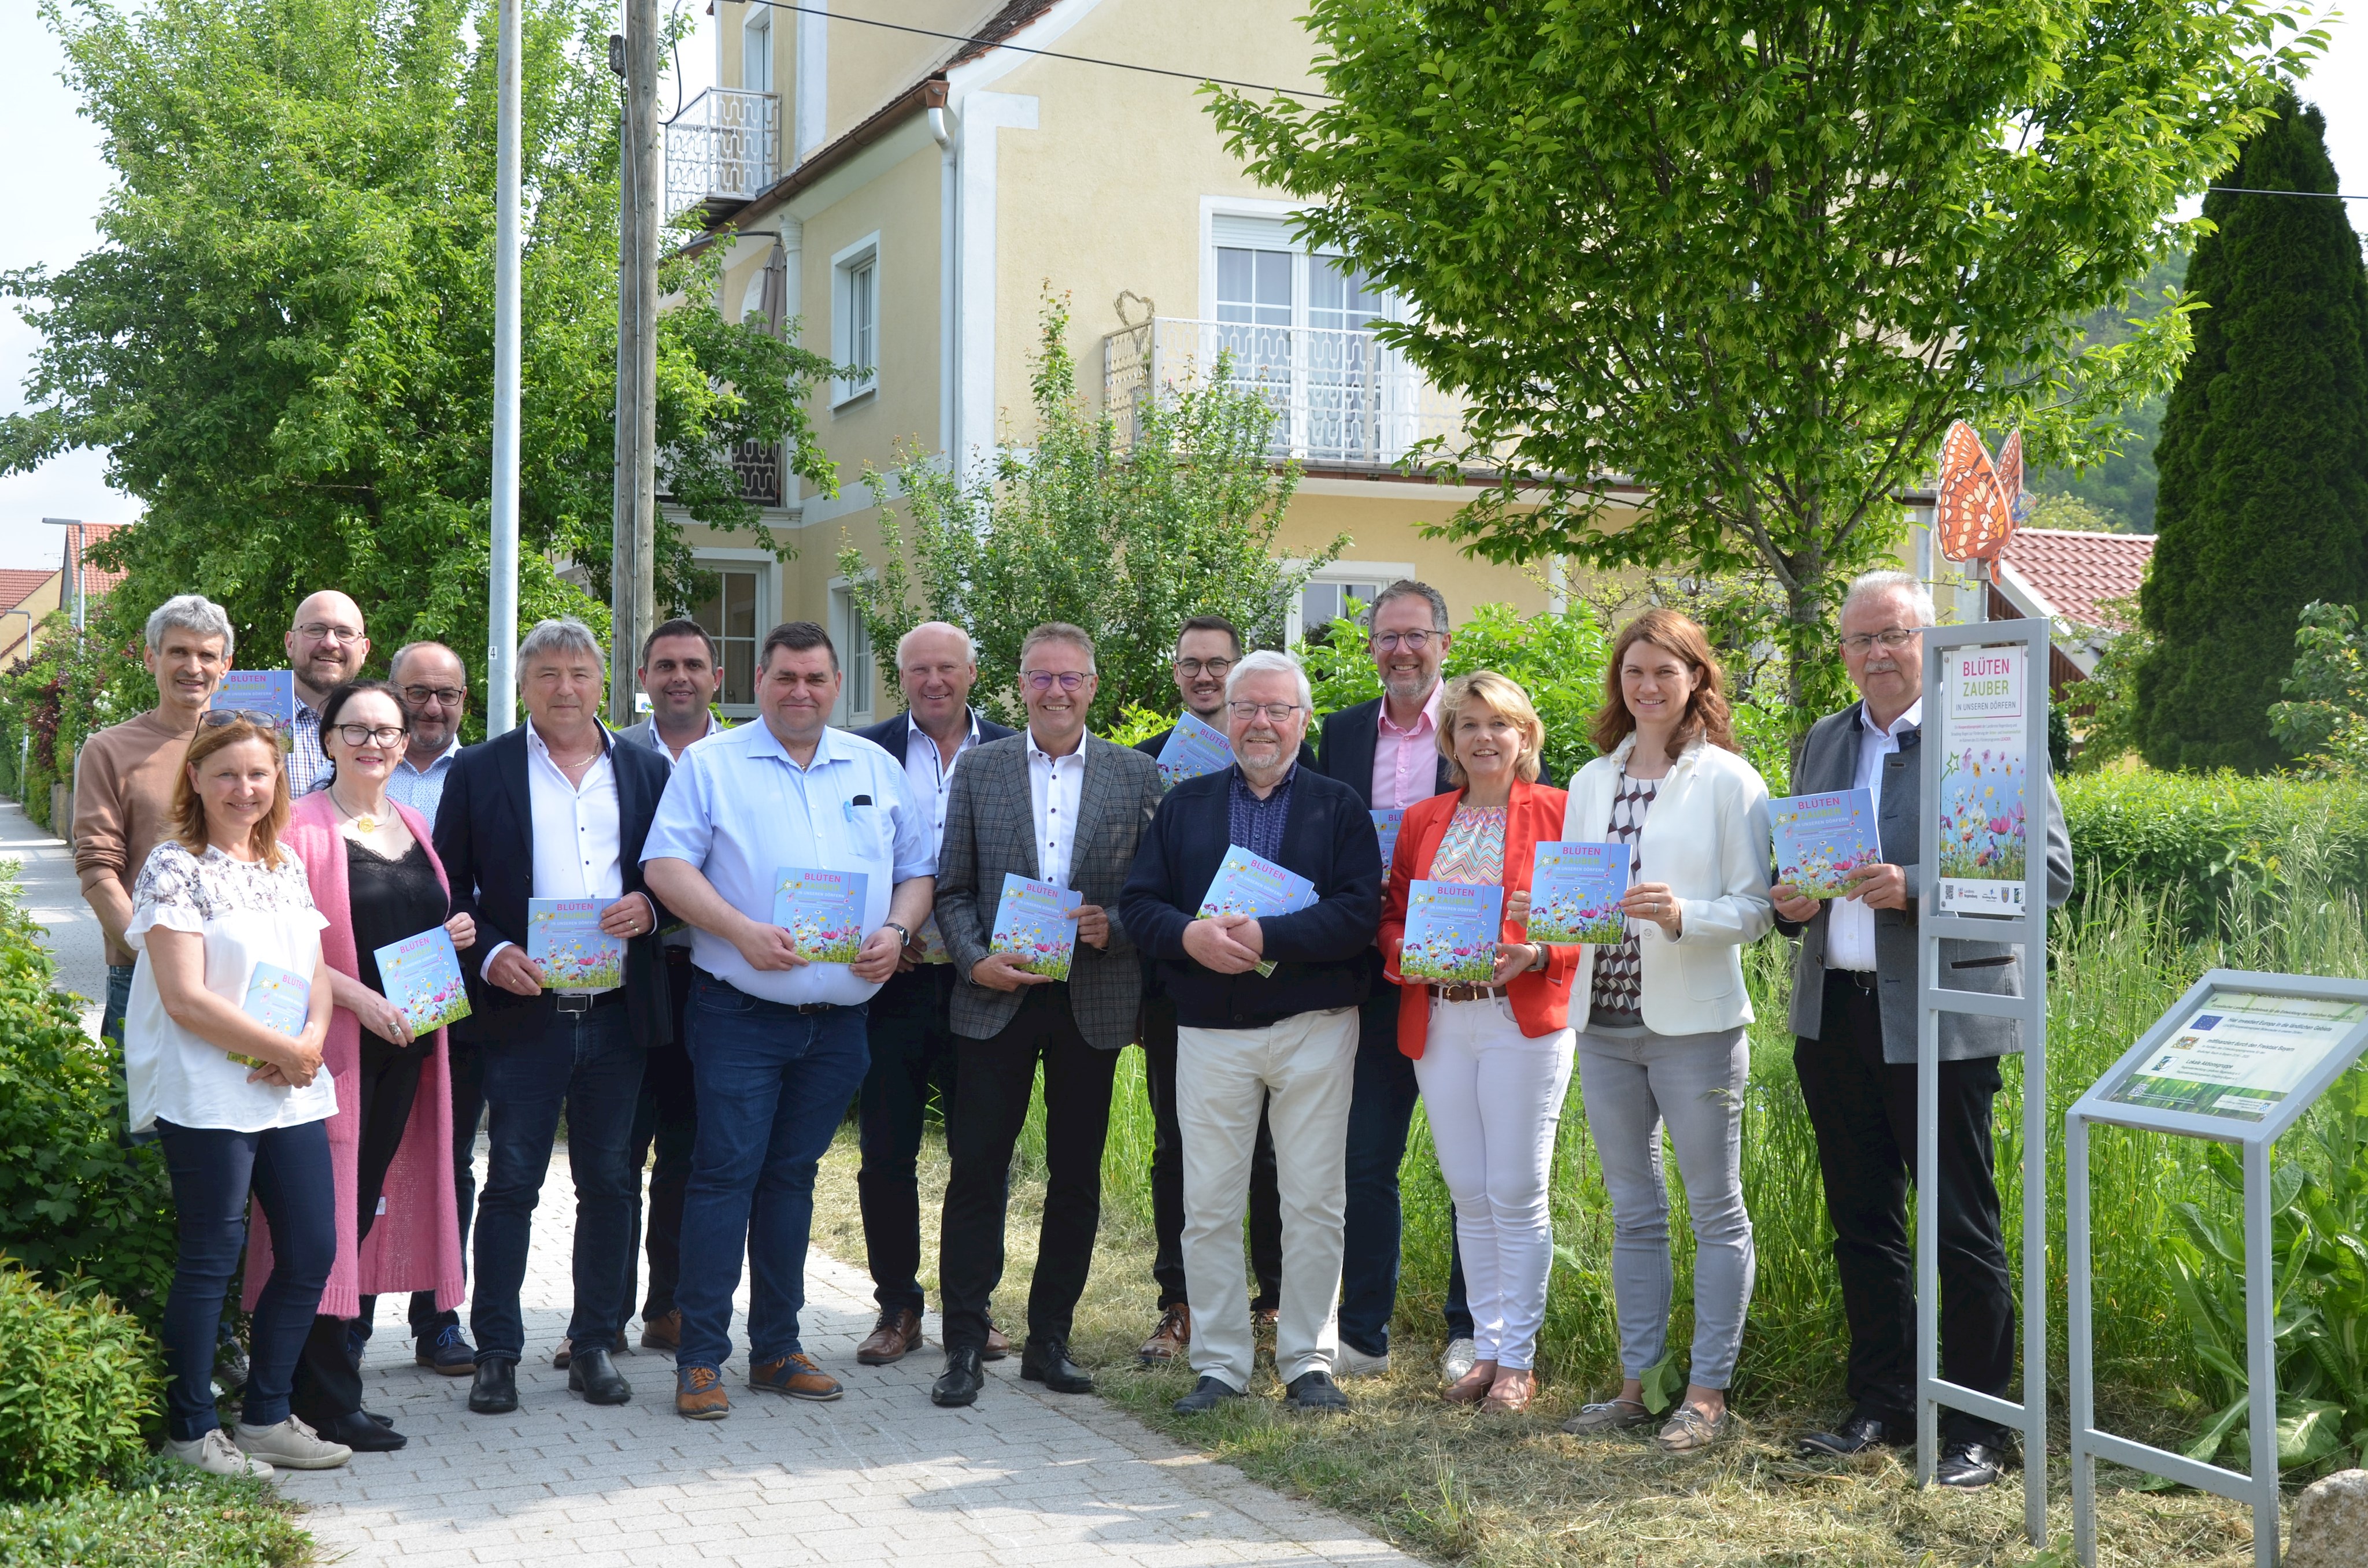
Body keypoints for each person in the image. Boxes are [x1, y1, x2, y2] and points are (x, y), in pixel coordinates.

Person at [1779, 570, 2071, 1489]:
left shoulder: (1979, 733)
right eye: (1859, 640)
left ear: (1930, 639)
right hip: (1835, 1014)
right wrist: (1787, 900)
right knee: (1862, 1221)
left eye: (1893, 635)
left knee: (1961, 1226)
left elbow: (2050, 876)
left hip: (1942, 1019)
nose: (1876, 654)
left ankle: (1980, 1426)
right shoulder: (1824, 741)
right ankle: (1883, 1405)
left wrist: (1921, 888)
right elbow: (1793, 874)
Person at [642, 621, 937, 1420]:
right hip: (740, 1013)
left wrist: (897, 932)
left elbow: (916, 872)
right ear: (758, 681)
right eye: (784, 678)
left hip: (839, 1025)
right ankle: (701, 1358)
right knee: (724, 1177)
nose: (800, 692)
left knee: (792, 1181)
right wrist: (739, 929)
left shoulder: (873, 766)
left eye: (815, 678)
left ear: (836, 684)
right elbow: (665, 866)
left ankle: (776, 1348)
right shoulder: (713, 765)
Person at [1119, 650, 1381, 1416]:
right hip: (1208, 1029)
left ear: (1302, 719)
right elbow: (1140, 904)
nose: (1260, 723)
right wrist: (1186, 938)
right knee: (1209, 1203)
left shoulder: (1338, 806)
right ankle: (1224, 1363)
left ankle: (1307, 1360)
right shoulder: (1186, 804)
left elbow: (1358, 912)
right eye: (1246, 708)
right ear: (1225, 717)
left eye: (1277, 709)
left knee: (1313, 1201)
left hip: (1315, 1027)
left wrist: (1268, 934)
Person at [435, 617, 674, 1415]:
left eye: (579, 672)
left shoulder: (645, 771)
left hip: (615, 1013)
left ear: (603, 682)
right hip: (521, 1011)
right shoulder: (480, 769)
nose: (565, 688)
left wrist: (651, 905)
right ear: (525, 685)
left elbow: (677, 875)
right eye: (548, 674)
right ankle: (498, 1350)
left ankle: (595, 1343)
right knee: (511, 1183)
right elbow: (452, 889)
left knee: (610, 1182)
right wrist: (492, 950)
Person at [926, 623, 1163, 1410]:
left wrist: (1115, 926)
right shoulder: (980, 769)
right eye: (1041, 678)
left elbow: (1155, 897)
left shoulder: (1137, 776)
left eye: (1071, 679)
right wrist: (973, 958)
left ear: (1095, 686)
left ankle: (1049, 1341)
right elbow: (952, 888)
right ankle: (964, 1342)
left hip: (1091, 1000)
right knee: (978, 1173)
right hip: (996, 995)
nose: (1056, 692)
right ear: (1018, 686)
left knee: (1075, 1177)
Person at [1552, 613, 1774, 1450]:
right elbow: (1575, 898)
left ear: (1697, 682)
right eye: (1634, 671)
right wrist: (1550, 930)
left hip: (1697, 1029)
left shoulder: (1729, 781)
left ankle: (1708, 1394)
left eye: (1665, 672)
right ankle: (1637, 1387)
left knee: (1717, 1210)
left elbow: (1757, 910)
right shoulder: (1588, 781)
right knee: (1633, 1210)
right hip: (1603, 1024)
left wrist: (1685, 915)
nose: (1647, 686)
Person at [127, 716, 352, 1478]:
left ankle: (264, 1416)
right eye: (226, 773)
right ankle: (190, 1434)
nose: (244, 789)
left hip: (290, 1090)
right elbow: (184, 998)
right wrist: (285, 1049)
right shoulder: (173, 867)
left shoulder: (283, 862)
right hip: (210, 1098)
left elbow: (316, 974)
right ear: (195, 778)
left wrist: (309, 1043)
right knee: (212, 1259)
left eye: (259, 774)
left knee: (312, 1250)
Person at [1373, 672, 1585, 1417]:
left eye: (1500, 724)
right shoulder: (1423, 819)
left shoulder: (1560, 811)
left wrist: (1539, 954)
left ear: (1525, 735)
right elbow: (1393, 913)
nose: (1484, 737)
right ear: (1450, 742)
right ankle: (1487, 1348)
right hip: (1440, 1020)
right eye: (1468, 726)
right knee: (1468, 1190)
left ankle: (1519, 1362)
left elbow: (1585, 918)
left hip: (1519, 1021)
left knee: (1517, 1191)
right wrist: (1408, 952)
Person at [275, 680, 471, 1452]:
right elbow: (283, 950)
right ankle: (319, 1399)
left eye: (387, 732)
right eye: (356, 730)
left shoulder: (412, 823)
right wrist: (359, 1001)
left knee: (352, 1221)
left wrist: (453, 927)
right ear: (326, 741)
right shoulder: (298, 826)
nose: (375, 744)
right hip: (334, 1057)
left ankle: (329, 1388)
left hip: (409, 1054)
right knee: (323, 1227)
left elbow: (414, 920)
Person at [1310, 579, 1474, 1382]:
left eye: (1417, 635)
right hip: (1370, 972)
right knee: (1366, 1157)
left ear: (1444, 642)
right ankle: (1366, 1334)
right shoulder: (1339, 734)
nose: (1402, 651)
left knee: (1469, 1162)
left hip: (1464, 974)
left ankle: (1469, 1330)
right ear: (1371, 648)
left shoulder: (1478, 726)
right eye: (1387, 638)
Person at [1129, 616, 1298, 1363]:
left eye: (1218, 665)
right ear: (1176, 674)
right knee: (1177, 1150)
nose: (1204, 676)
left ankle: (1273, 1301)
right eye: (1192, 665)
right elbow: (1137, 887)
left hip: (1274, 992)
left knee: (1269, 1152)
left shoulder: (1293, 757)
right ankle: (1182, 1302)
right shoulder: (1144, 767)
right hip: (1182, 995)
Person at [848, 622, 1016, 1366]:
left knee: (982, 1154)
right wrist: (886, 927)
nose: (934, 681)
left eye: (947, 668)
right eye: (919, 669)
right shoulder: (862, 751)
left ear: (973, 672)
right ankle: (897, 1305)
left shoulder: (1014, 750)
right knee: (886, 1150)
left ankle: (971, 1309)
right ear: (902, 676)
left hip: (987, 982)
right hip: (897, 982)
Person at [610, 618, 727, 1354]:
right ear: (644, 680)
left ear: (717, 677)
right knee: (616, 1155)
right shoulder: (611, 756)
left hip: (716, 979)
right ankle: (600, 1319)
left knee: (689, 1153)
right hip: (629, 981)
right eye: (664, 665)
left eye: (693, 664)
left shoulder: (749, 756)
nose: (679, 676)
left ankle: (671, 1307)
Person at [375, 639, 481, 1375]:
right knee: (363, 1157)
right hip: (362, 997)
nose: (433, 707)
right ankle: (344, 1317)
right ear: (392, 693)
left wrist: (473, 917)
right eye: (419, 692)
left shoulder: (487, 772)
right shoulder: (354, 769)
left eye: (447, 694)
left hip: (457, 999)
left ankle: (439, 1315)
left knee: (451, 1160)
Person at [76, 595, 232, 1064]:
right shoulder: (109, 750)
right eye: (178, 652)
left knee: (231, 1129)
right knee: (138, 1130)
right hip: (142, 972)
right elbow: (98, 873)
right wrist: (158, 962)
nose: (194, 667)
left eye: (207, 655)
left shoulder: (247, 747)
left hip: (234, 970)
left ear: (226, 665)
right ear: (151, 658)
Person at [286, 592, 372, 795]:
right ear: (290, 643)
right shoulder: (249, 720)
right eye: (316, 630)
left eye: (345, 633)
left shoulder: (385, 732)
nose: (330, 643)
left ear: (364, 651)